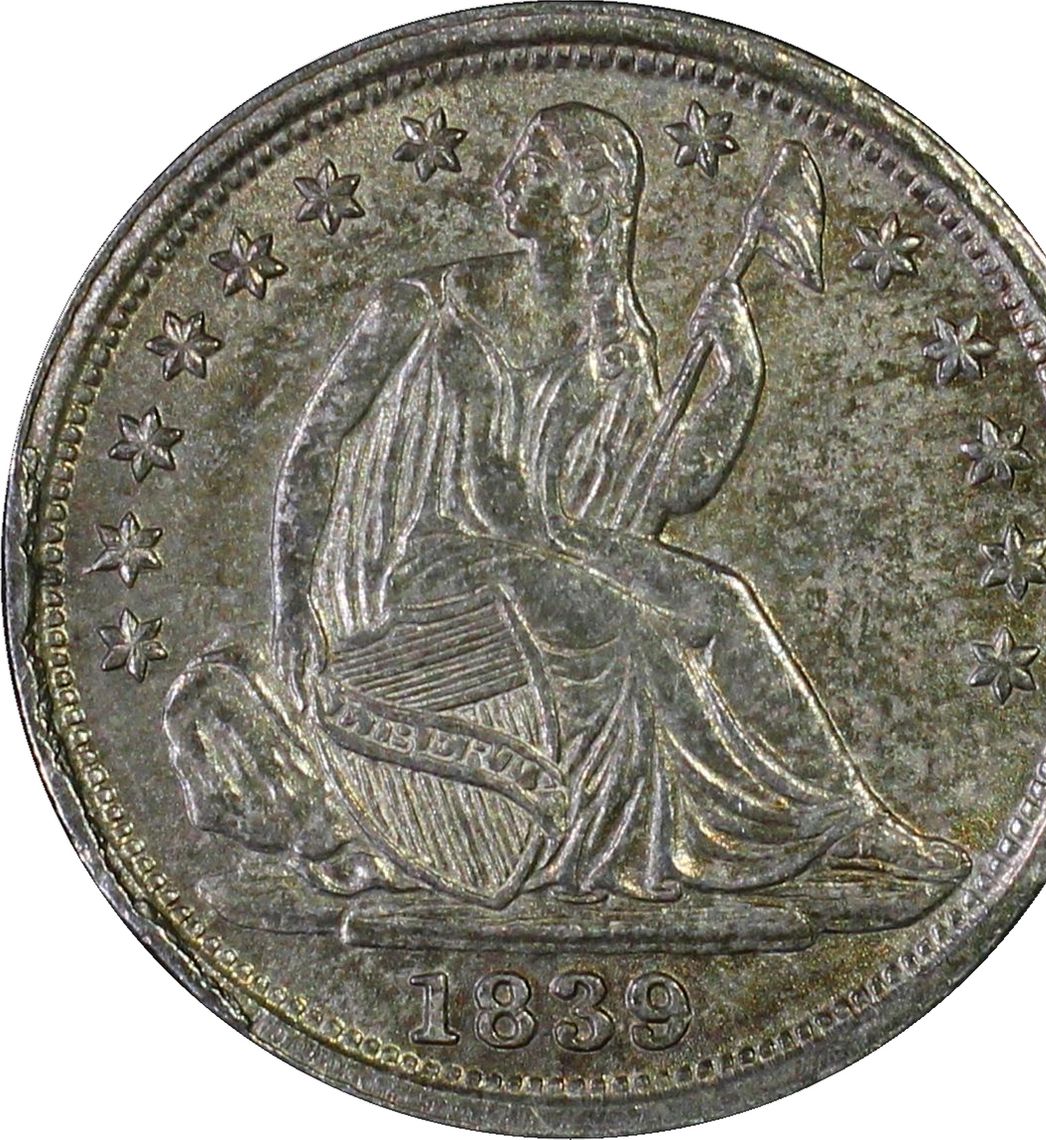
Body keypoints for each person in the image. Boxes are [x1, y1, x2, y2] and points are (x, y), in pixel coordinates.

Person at [189, 101, 963, 918]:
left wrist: (738, 374)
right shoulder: (425, 304)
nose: (505, 181)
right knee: (610, 615)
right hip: (436, 562)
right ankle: (702, 839)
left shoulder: (612, 336)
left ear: (584, 198)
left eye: (532, 167)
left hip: (547, 544)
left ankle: (849, 824)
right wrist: (293, 600)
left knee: (722, 599)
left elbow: (669, 490)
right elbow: (316, 443)